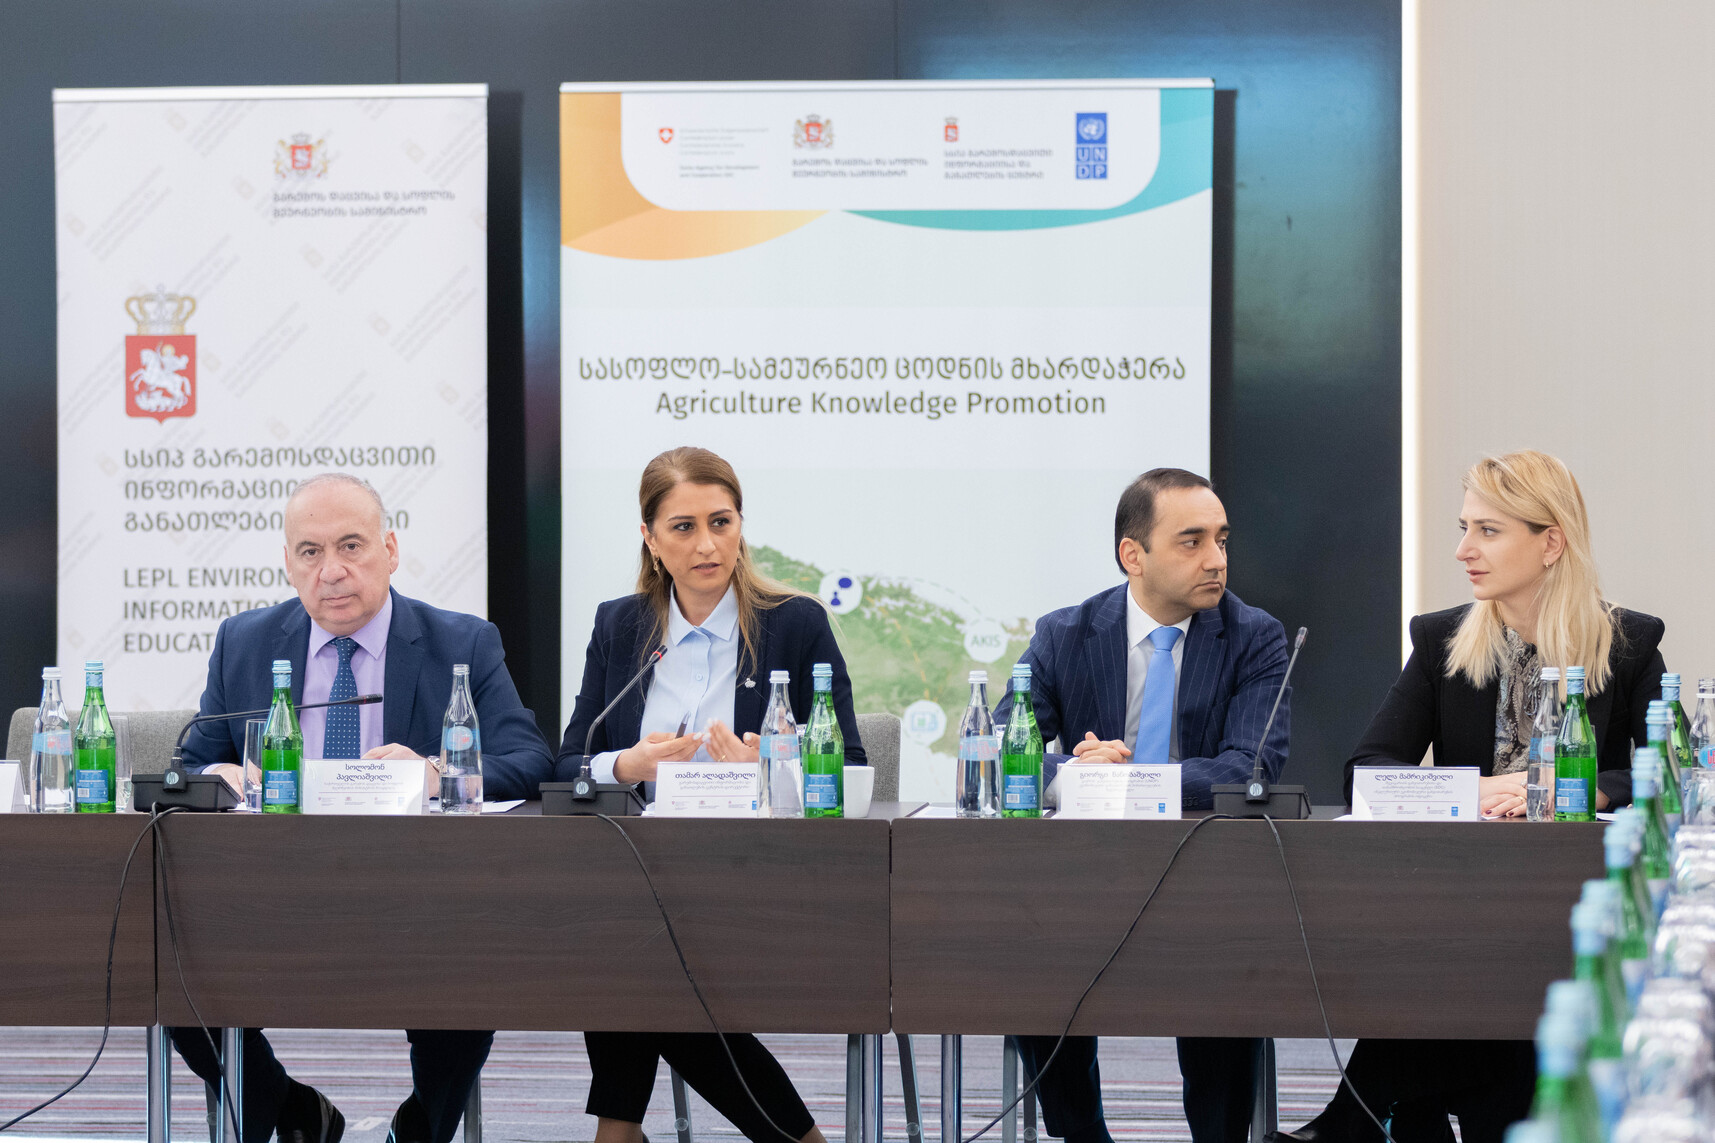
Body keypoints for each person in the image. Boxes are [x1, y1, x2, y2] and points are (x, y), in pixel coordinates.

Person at [1273, 450, 1665, 1143]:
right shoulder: (1442, 640)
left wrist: (1570, 788)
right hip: (1465, 897)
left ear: (1550, 542)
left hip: (1571, 904)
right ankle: (1386, 1117)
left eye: (1487, 530)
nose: (1463, 550)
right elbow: (1366, 771)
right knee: (1460, 975)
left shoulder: (1628, 643)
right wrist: (1476, 790)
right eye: (1463, 528)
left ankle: (1362, 1118)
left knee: (1466, 986)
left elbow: (1667, 774)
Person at [173, 472, 556, 1143]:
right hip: (266, 892)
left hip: (418, 897)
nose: (332, 571)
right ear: (288, 563)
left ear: (390, 549)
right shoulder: (245, 641)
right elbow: (189, 764)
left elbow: (529, 759)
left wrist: (436, 771)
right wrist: (220, 774)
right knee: (171, 964)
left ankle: (421, 1127)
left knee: (472, 960)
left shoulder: (462, 643)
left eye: (350, 546)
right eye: (311, 551)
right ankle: (290, 1111)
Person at [556, 445, 864, 1143]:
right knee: (633, 931)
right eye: (683, 527)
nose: (707, 544)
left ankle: (618, 1131)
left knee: (633, 943)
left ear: (740, 525)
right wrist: (626, 764)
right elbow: (571, 759)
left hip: (757, 874)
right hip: (648, 871)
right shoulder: (620, 625)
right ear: (650, 538)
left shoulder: (795, 623)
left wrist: (772, 765)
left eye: (721, 522)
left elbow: (848, 763)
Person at [996, 467, 1290, 1143]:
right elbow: (995, 755)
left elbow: (1250, 767)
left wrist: (1124, 781)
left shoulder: (1254, 635)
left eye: (1221, 539)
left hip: (1209, 873)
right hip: (1084, 874)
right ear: (1134, 554)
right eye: (1192, 540)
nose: (1216, 559)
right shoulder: (1064, 633)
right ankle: (1082, 1135)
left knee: (1227, 965)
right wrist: (1075, 772)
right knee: (1035, 958)